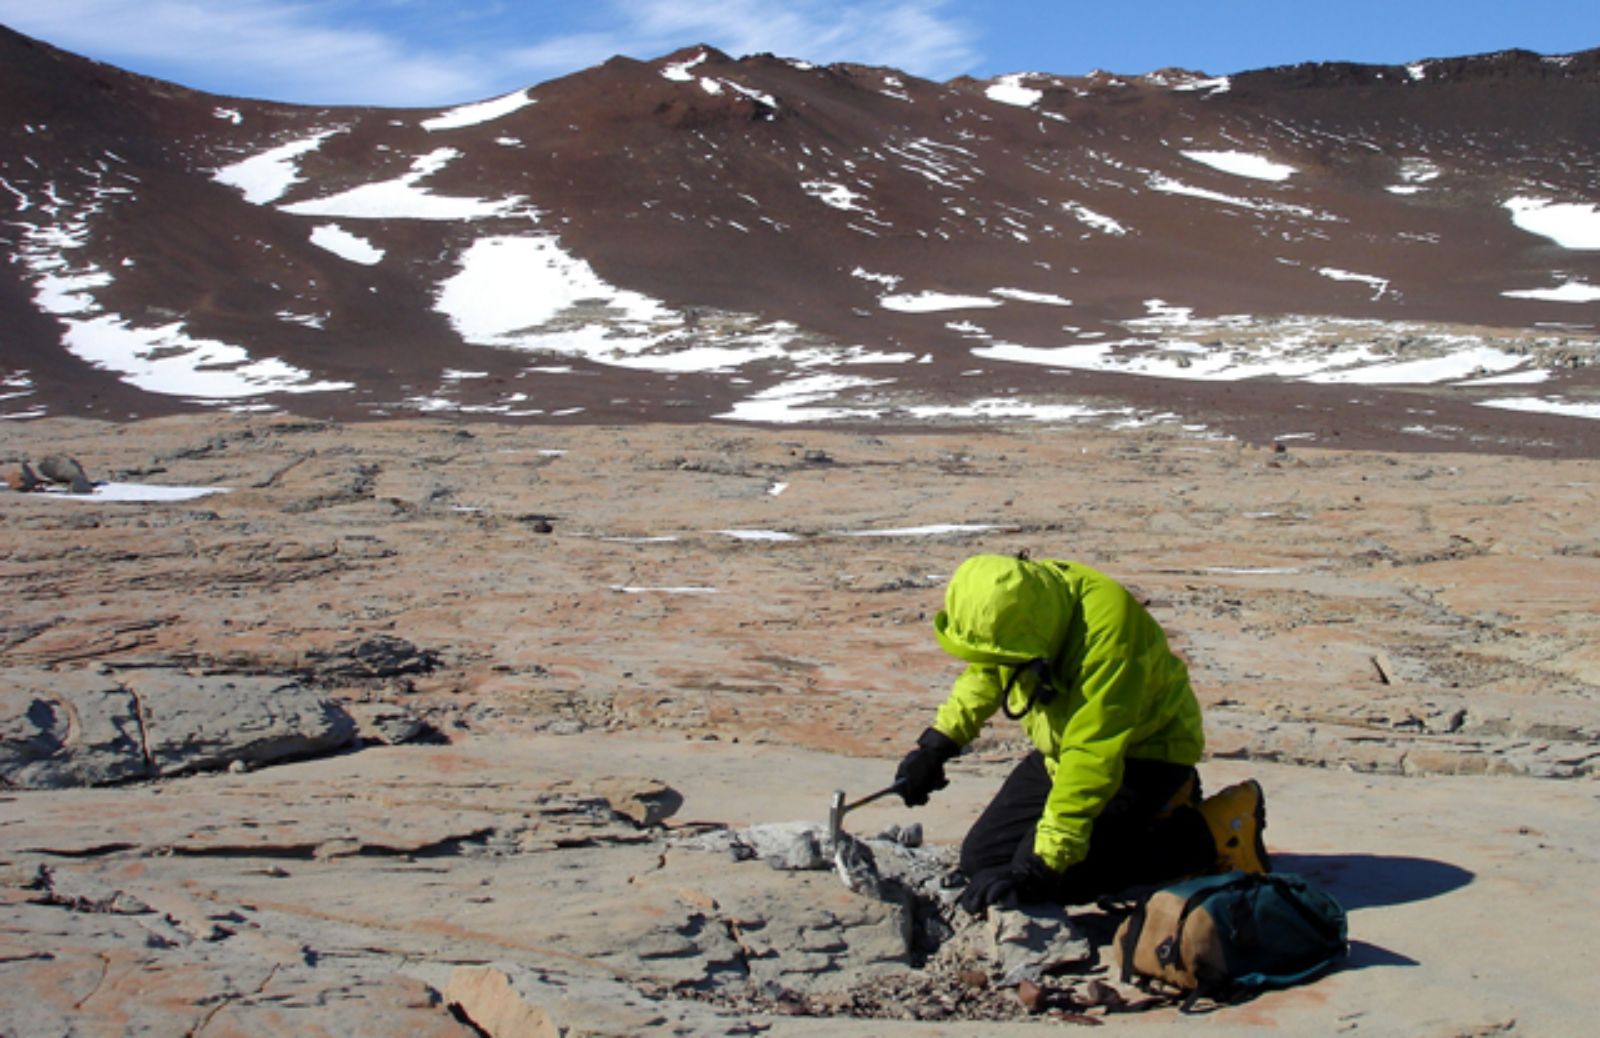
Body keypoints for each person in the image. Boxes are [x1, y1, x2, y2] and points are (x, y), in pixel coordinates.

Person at [894, 553, 1269, 914]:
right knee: (983, 861)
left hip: (1144, 754)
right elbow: (987, 668)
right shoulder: (1023, 609)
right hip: (1062, 752)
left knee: (1060, 877)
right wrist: (938, 745)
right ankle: (1146, 823)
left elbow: (1091, 754)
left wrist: (1042, 865)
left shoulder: (1108, 635)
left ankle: (1211, 832)